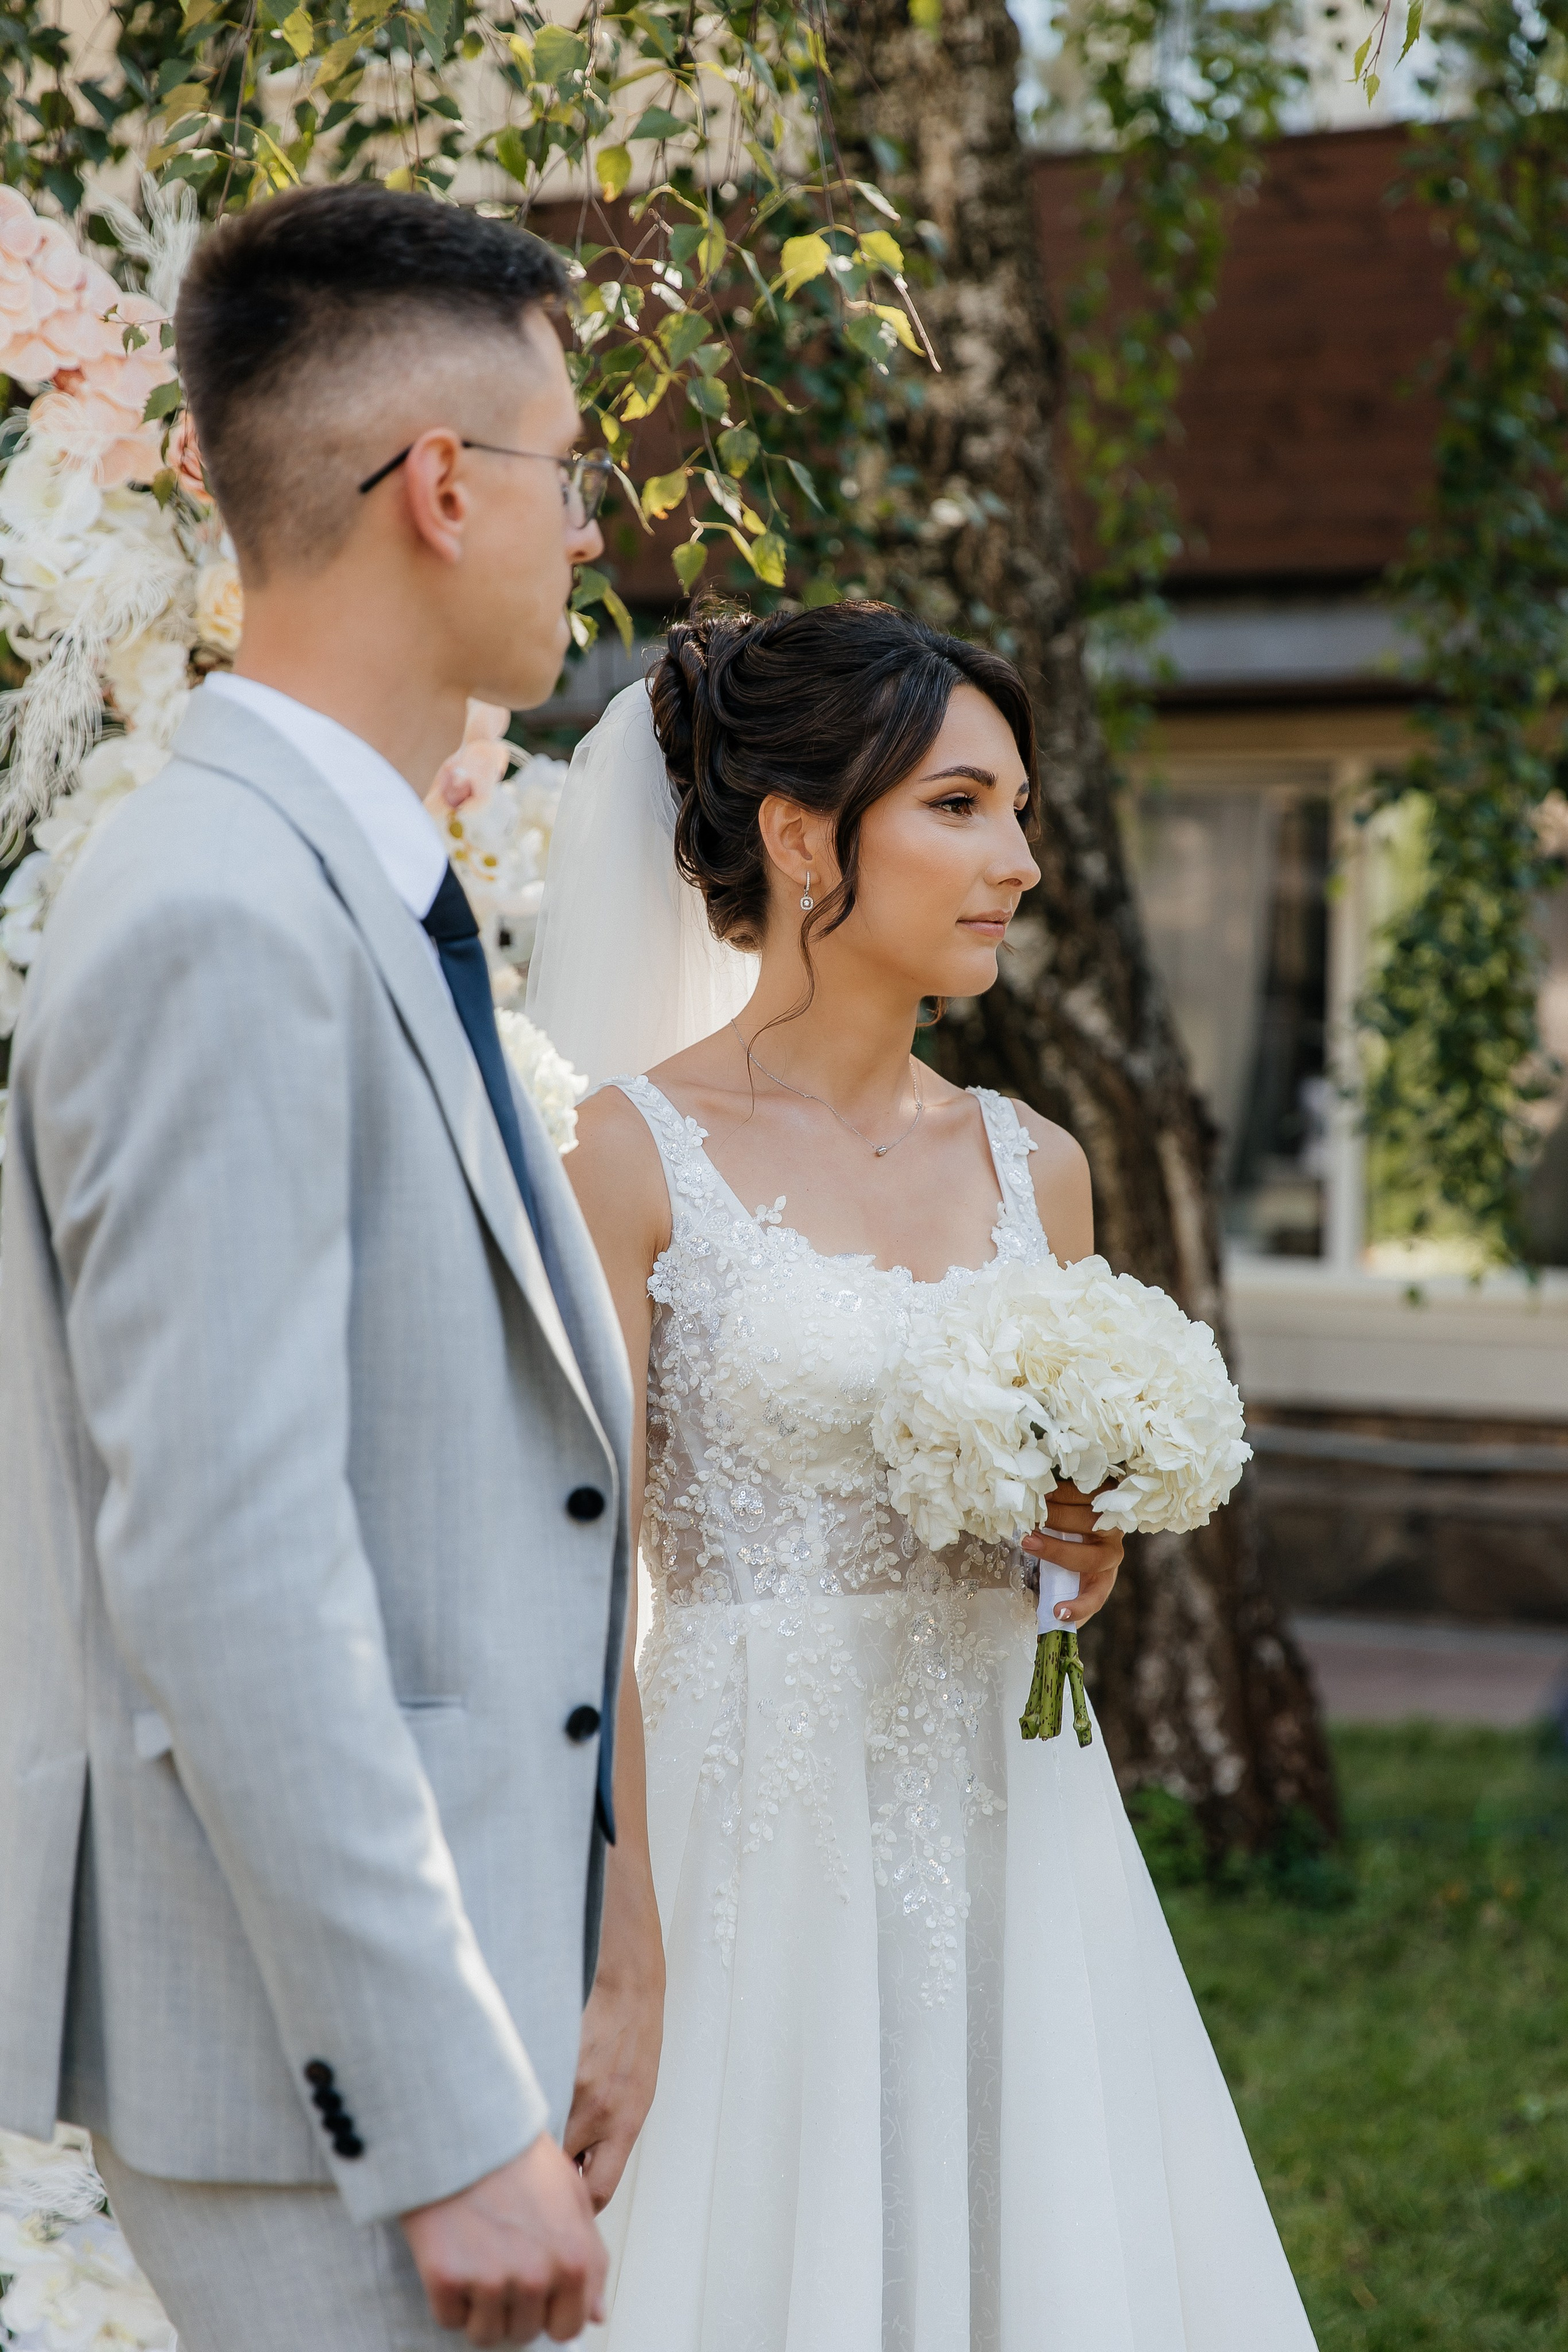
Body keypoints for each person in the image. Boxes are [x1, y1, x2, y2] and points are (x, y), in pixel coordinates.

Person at [531, 601, 1320, 2350]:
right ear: (808, 838)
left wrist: (1080, 1556)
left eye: (1021, 813)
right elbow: (575, 1577)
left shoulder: (1035, 1165)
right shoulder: (624, 1156)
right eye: (961, 808)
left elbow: (1063, 1572)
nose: (1019, 862)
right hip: (745, 1820)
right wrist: (622, 1939)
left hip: (1006, 1808)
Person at [0, 185, 631, 2351]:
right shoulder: (220, 919)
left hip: (418, 2017)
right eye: (571, 472)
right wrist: (453, 2123)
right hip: (323, 2083)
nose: (590, 531)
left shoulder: (334, 881)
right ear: (443, 488)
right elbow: (230, 1562)